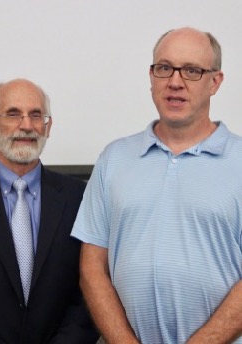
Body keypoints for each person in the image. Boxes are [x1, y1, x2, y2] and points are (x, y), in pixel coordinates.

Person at [71, 27, 242, 343]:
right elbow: (92, 269)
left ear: (215, 81)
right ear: (151, 76)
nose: (175, 82)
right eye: (164, 68)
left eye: (191, 71)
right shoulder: (114, 158)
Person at [0, 78, 99, 343]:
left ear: (47, 126)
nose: (26, 126)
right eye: (13, 114)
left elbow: (91, 291)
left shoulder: (80, 198)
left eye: (36, 115)